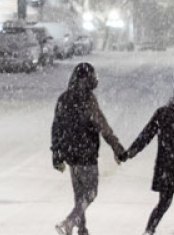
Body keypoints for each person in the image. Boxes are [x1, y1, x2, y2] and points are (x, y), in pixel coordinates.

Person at [47, 63, 123, 235]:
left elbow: (56, 128)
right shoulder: (88, 101)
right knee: (90, 193)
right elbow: (103, 127)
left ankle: (82, 229)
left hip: (70, 154)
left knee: (79, 194)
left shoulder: (63, 99)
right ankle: (69, 222)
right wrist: (116, 147)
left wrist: (56, 154)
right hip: (86, 153)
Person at [122, 81, 174, 235]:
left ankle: (149, 229)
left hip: (166, 165)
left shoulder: (162, 113)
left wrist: (130, 152)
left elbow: (146, 135)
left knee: (164, 201)